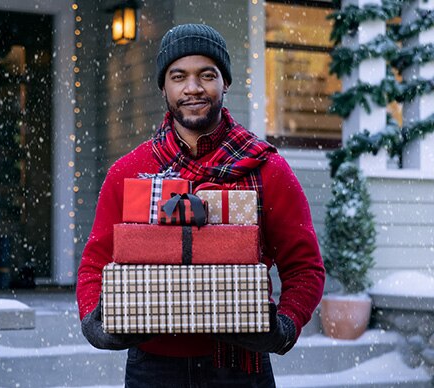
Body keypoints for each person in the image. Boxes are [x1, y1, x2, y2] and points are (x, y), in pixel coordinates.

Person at [77, 24, 325, 387]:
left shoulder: (268, 170)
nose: (192, 88)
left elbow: (305, 267)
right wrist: (94, 321)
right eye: (179, 76)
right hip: (152, 366)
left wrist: (285, 325)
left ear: (225, 82)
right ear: (163, 87)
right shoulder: (129, 172)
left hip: (240, 367)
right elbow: (95, 262)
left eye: (206, 75)